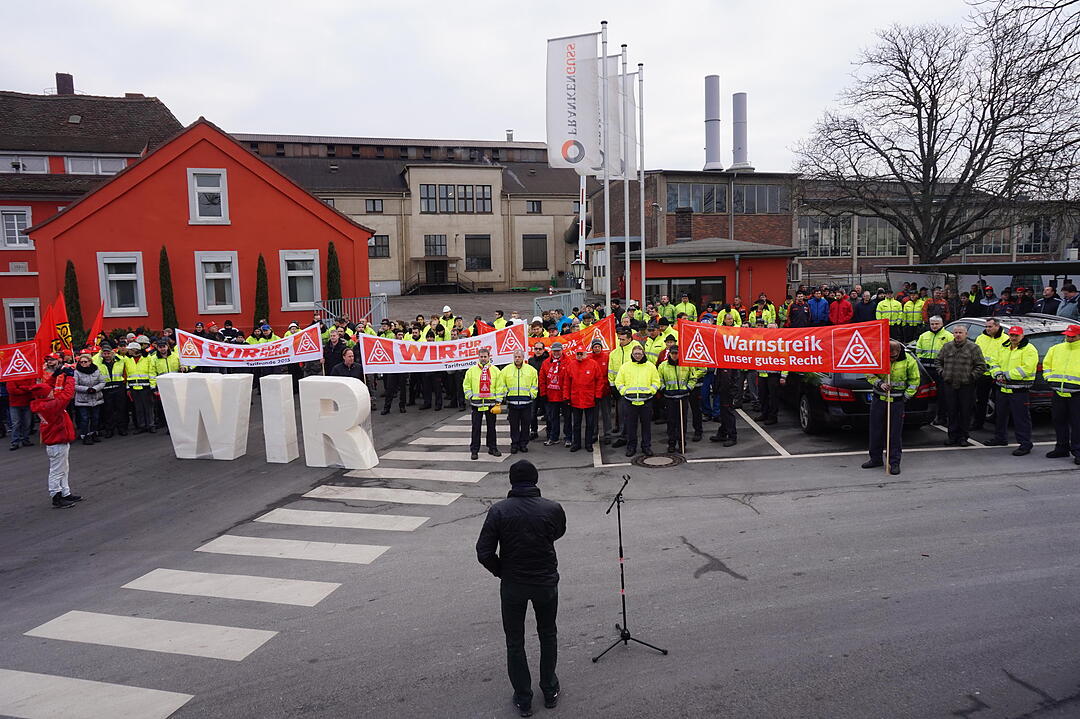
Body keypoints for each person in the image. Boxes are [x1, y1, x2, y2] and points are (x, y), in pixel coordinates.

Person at [475, 459, 565, 717]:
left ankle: (524, 698)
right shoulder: (552, 508)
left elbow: (484, 552)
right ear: (535, 480)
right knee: (548, 633)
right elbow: (558, 532)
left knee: (515, 641)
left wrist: (501, 570)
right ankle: (549, 688)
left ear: (511, 482)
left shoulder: (499, 511)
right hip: (545, 581)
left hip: (513, 584)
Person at [861, 340, 920, 475]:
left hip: (897, 402)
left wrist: (906, 397)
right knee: (876, 430)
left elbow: (914, 381)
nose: (892, 359)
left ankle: (894, 462)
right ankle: (875, 459)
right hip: (879, 400)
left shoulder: (909, 361)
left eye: (894, 356)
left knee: (894, 433)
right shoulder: (878, 356)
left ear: (899, 352)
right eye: (889, 356)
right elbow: (869, 372)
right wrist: (879, 383)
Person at [30, 367, 82, 508]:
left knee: (63, 469)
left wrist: (55, 376)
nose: (52, 391)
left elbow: (46, 387)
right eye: (50, 391)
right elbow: (67, 394)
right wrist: (70, 378)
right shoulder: (51, 405)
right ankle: (56, 496)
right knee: (57, 471)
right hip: (57, 441)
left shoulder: (42, 402)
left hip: (58, 440)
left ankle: (65, 492)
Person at [985, 325, 1038, 455]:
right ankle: (1000, 438)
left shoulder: (1029, 349)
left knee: (1021, 419)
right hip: (1002, 389)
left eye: (1016, 335)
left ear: (1022, 336)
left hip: (1019, 390)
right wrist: (997, 374)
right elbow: (993, 362)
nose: (1013, 338)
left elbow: (1027, 369)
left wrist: (1006, 375)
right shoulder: (1003, 346)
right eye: (1011, 335)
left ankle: (1025, 444)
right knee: (1000, 416)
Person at [937, 324, 986, 447]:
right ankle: (952, 437)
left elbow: (981, 366)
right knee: (951, 412)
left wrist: (971, 377)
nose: (958, 335)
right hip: (949, 384)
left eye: (960, 333)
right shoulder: (947, 346)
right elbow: (938, 361)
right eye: (956, 333)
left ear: (966, 334)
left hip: (966, 386)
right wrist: (943, 373)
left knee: (965, 412)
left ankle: (963, 437)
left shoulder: (973, 348)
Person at [614, 343, 661, 457]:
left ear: (643, 354)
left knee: (646, 426)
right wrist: (624, 391)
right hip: (630, 402)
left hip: (646, 401)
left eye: (639, 354)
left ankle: (646, 446)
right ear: (632, 354)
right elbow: (618, 382)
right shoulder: (625, 366)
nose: (637, 356)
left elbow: (656, 381)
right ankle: (631, 447)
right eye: (635, 354)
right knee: (631, 427)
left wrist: (651, 391)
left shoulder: (650, 366)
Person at [1043, 324, 1080, 464]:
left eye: (1072, 336)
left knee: (1077, 424)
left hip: (1077, 394)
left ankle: (1078, 451)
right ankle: (1061, 448)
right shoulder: (1056, 349)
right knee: (1059, 421)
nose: (1069, 338)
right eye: (1067, 335)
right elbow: (1047, 365)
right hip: (1058, 392)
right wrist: (1049, 378)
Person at [657, 344, 703, 452]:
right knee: (671, 421)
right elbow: (659, 379)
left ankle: (682, 443)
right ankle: (671, 443)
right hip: (669, 397)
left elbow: (693, 378)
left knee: (682, 422)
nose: (675, 355)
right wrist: (664, 389)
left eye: (676, 353)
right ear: (669, 354)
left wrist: (688, 388)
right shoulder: (663, 366)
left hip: (683, 397)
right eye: (673, 353)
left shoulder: (687, 364)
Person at [464, 347, 504, 460]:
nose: (483, 359)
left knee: (491, 427)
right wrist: (470, 396)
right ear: (478, 357)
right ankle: (474, 450)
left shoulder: (496, 371)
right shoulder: (471, 370)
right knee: (476, 428)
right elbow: (466, 385)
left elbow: (500, 386)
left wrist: (498, 401)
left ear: (489, 357)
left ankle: (492, 448)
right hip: (476, 404)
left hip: (490, 404)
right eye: (481, 357)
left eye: (485, 357)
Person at [915, 316, 954, 425]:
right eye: (932, 324)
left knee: (942, 395)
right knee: (925, 395)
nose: (934, 326)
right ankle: (924, 416)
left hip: (941, 370)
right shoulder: (924, 336)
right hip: (926, 370)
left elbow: (952, 353)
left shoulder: (949, 336)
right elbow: (918, 351)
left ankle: (942, 417)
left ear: (942, 324)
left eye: (937, 324)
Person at [565, 346, 602, 453]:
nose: (580, 356)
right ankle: (576, 443)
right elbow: (567, 383)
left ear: (585, 353)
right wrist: (566, 397)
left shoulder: (593, 364)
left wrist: (597, 396)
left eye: (581, 353)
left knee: (590, 424)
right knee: (576, 424)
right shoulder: (571, 365)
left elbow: (599, 381)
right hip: (576, 399)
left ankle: (588, 443)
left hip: (590, 399)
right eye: (578, 354)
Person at [500, 349, 539, 454]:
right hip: (512, 403)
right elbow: (502, 384)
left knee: (526, 425)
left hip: (526, 403)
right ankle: (514, 444)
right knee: (514, 425)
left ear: (523, 357)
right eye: (515, 357)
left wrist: (531, 395)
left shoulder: (531, 370)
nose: (517, 359)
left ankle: (523, 444)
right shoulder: (506, 370)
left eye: (519, 357)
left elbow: (534, 385)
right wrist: (505, 394)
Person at [973, 317, 1006, 430]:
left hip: (998, 375)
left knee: (999, 402)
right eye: (986, 326)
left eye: (990, 326)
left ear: (997, 326)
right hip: (982, 374)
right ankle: (978, 423)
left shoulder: (1005, 339)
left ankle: (998, 428)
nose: (987, 329)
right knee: (980, 400)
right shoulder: (981, 338)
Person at [539, 343, 571, 447]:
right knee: (553, 418)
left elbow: (570, 379)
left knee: (567, 418)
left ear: (562, 350)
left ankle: (568, 437)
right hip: (551, 395)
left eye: (558, 351)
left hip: (564, 395)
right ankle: (553, 437)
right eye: (554, 351)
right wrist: (543, 393)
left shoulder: (568, 362)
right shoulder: (546, 362)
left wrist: (568, 395)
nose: (556, 353)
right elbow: (542, 379)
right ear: (551, 351)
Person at [123, 341, 156, 433]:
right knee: (138, 408)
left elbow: (151, 372)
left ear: (135, 350)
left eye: (130, 349)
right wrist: (128, 387)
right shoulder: (127, 359)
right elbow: (127, 374)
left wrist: (152, 386)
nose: (128, 351)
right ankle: (142, 426)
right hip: (134, 388)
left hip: (146, 387)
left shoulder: (147, 358)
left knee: (148, 408)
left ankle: (151, 425)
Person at [73, 352, 105, 445]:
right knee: (84, 418)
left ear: (90, 362)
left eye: (85, 362)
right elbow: (74, 385)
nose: (83, 363)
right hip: (83, 399)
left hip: (96, 397)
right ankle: (85, 435)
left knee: (95, 417)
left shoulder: (96, 371)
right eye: (81, 362)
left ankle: (93, 433)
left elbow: (102, 382)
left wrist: (95, 389)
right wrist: (86, 389)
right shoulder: (77, 372)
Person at [380, 331, 408, 415]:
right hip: (393, 369)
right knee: (390, 389)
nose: (400, 336)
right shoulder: (391, 344)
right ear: (395, 336)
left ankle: (402, 406)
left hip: (402, 370)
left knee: (403, 389)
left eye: (402, 335)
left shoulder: (406, 345)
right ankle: (387, 407)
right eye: (399, 335)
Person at [7, 374, 35, 451]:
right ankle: (15, 442)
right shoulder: (11, 377)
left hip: (26, 403)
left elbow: (32, 387)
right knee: (16, 424)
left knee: (27, 423)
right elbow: (12, 390)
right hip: (15, 404)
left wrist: (20, 388)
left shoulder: (30, 376)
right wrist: (26, 389)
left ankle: (24, 439)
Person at [528, 342, 549, 441]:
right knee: (532, 413)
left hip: (545, 390)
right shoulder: (530, 360)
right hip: (534, 389)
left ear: (543, 350)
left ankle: (550, 432)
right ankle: (533, 431)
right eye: (536, 349)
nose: (538, 351)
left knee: (548, 413)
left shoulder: (548, 360)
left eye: (540, 349)